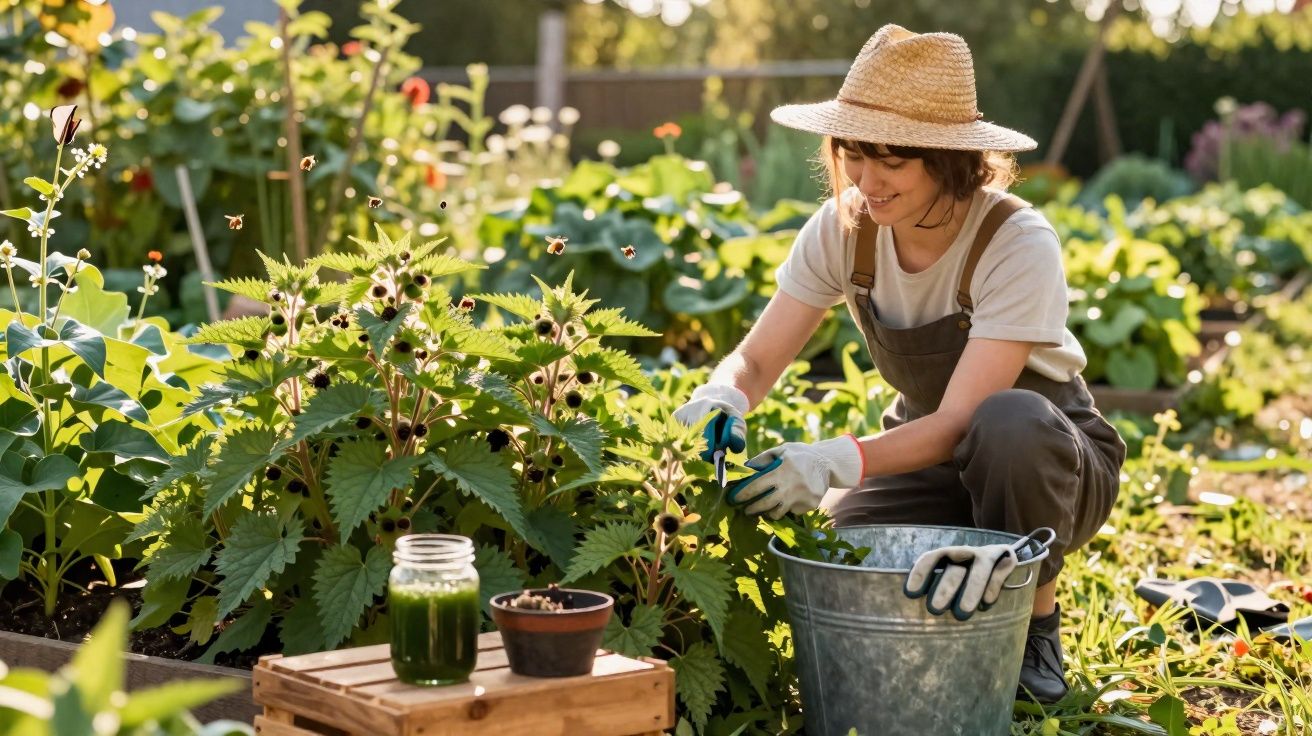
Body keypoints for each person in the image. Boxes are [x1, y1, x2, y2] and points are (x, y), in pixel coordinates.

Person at [673, 24, 1126, 704]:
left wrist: (827, 458)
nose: (867, 181)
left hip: (1047, 463)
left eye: (893, 161)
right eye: (854, 154)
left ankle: (1036, 628)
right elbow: (759, 356)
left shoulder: (1015, 241)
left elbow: (962, 421)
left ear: (951, 159)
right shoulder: (844, 229)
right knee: (835, 555)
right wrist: (724, 394)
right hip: (924, 455)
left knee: (1008, 423)